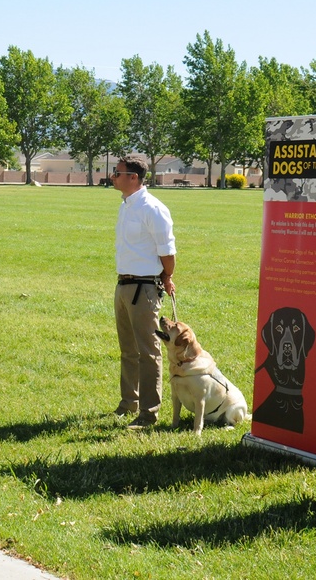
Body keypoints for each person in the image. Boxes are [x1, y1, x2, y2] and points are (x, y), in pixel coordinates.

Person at [111, 154, 176, 429]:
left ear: (133, 178)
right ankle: (129, 403)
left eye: (118, 172)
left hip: (144, 288)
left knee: (148, 352)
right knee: (128, 350)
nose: (113, 176)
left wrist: (167, 277)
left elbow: (168, 252)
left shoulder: (153, 208)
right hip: (123, 285)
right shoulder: (126, 206)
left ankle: (149, 413)